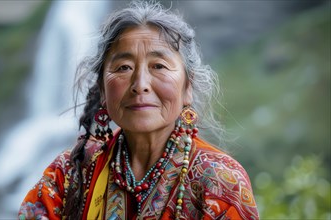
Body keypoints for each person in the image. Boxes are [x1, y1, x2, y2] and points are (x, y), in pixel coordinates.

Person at [19, 1, 259, 220]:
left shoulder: (219, 181)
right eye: (124, 67)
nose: (140, 84)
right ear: (102, 89)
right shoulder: (71, 173)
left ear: (188, 87)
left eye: (159, 66)